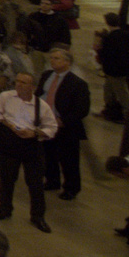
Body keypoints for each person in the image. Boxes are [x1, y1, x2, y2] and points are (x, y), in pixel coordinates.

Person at [0, 70, 58, 231]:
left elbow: (52, 128)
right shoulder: (5, 97)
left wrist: (34, 133)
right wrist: (9, 125)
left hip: (31, 147)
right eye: (17, 81)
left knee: (35, 184)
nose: (19, 85)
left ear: (32, 87)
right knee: (7, 180)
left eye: (23, 82)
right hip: (9, 145)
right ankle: (4, 209)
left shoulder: (41, 106)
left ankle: (38, 216)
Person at [37, 45, 90, 201]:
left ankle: (71, 188)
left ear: (67, 62)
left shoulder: (77, 83)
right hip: (46, 122)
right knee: (48, 154)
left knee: (68, 159)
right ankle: (52, 180)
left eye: (57, 58)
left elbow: (82, 109)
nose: (52, 61)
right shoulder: (46, 75)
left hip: (66, 127)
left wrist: (62, 121)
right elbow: (40, 94)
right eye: (51, 58)